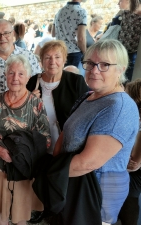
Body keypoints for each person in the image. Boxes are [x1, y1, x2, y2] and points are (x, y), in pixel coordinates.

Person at [54, 39, 139, 225]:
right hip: (74, 182)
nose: (94, 70)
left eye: (104, 65)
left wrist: (49, 173)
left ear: (121, 69)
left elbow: (87, 163)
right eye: (90, 63)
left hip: (97, 193)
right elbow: (66, 131)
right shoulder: (89, 96)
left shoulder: (119, 108)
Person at [0, 54, 51, 225]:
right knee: (0, 212)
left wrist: (22, 154)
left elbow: (45, 138)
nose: (15, 78)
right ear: (5, 75)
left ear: (27, 77)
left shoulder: (35, 104)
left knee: (21, 215)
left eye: (20, 74)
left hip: (22, 171)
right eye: (11, 73)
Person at [26, 40, 88, 223]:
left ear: (64, 60)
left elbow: (86, 114)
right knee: (42, 175)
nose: (52, 61)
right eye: (47, 57)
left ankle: (64, 212)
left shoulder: (75, 81)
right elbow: (19, 114)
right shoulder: (32, 82)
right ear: (41, 61)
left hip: (66, 141)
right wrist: (29, 101)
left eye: (57, 57)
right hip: (39, 142)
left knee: (63, 177)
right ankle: (44, 209)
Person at [0, 19, 41, 97]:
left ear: (13, 33)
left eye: (6, 33)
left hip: (24, 107)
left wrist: (32, 97)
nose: (2, 38)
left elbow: (38, 83)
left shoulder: (28, 57)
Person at [118, 79, 141, 225]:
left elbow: (134, 163)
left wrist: (136, 161)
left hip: (133, 170)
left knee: (129, 198)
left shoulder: (136, 116)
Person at [52, 0, 87, 67]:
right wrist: (85, 53)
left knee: (63, 76)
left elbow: (53, 33)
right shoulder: (81, 11)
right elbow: (81, 38)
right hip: (74, 53)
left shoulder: (59, 12)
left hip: (60, 51)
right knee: (74, 76)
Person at [118, 0, 141, 82]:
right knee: (128, 77)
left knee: (120, 74)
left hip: (121, 48)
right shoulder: (124, 13)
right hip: (131, 50)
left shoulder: (124, 13)